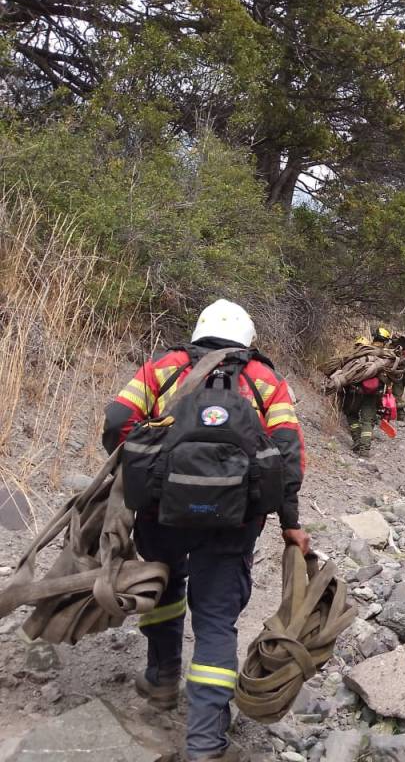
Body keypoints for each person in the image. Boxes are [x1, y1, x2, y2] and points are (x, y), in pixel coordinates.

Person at [102, 299, 310, 762]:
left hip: (160, 513)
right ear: (247, 337)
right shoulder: (265, 380)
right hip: (234, 522)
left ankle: (161, 680)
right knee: (216, 619)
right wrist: (290, 523)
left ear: (199, 330)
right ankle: (205, 742)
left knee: (163, 590)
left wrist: (139, 466)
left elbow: (117, 420)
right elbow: (288, 453)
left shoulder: (164, 367)